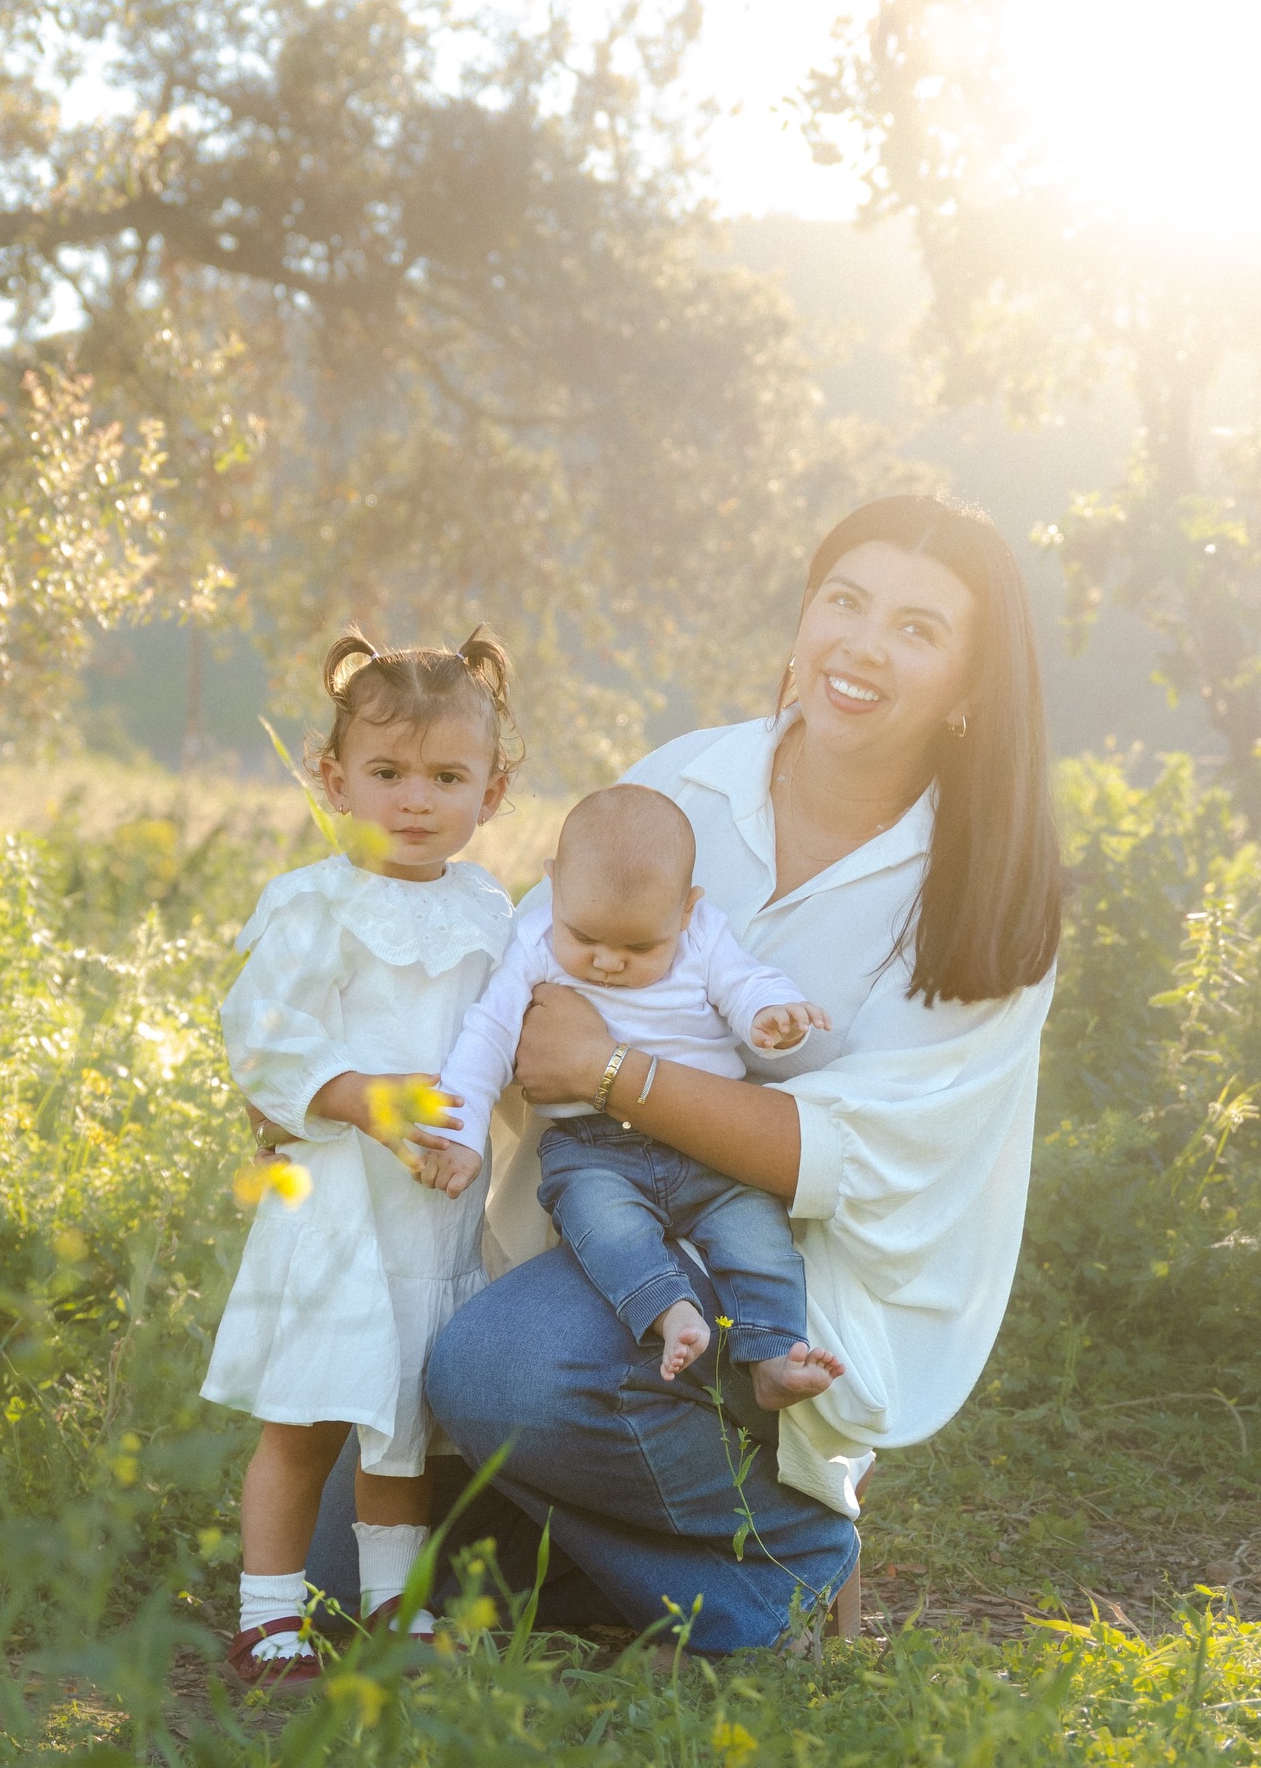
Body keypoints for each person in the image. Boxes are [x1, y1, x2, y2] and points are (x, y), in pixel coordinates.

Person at [409, 493, 1063, 1656]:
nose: (862, 644)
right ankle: (665, 1572)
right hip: (603, 1225)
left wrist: (614, 1070)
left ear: (970, 687)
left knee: (501, 1365)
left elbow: (840, 1157)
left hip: (782, 1285)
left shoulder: (983, 893)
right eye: (845, 601)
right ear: (805, 617)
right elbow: (521, 976)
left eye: (918, 628)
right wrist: (336, 1086)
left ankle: (794, 1563)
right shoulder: (691, 781)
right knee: (345, 1561)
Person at [200, 627, 518, 1690]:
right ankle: (269, 1616)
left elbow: (503, 1032)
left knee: (404, 1429)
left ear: (493, 790)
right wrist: (365, 1101)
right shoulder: (312, 901)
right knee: (305, 1422)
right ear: (334, 779)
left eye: (445, 776)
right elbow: (268, 1036)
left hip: (429, 1211)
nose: (415, 799)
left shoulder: (490, 910)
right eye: (386, 773)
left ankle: (395, 1607)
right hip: (340, 1201)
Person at [433, 782, 842, 1404]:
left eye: (638, 947)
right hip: (592, 1148)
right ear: (555, 885)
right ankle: (669, 1311)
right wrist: (460, 1131)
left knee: (758, 1237)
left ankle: (772, 1357)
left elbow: (743, 983)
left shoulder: (704, 935)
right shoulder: (537, 940)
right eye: (587, 938)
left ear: (686, 910)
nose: (606, 963)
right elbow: (486, 1033)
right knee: (604, 1228)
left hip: (707, 1149)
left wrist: (770, 1015)